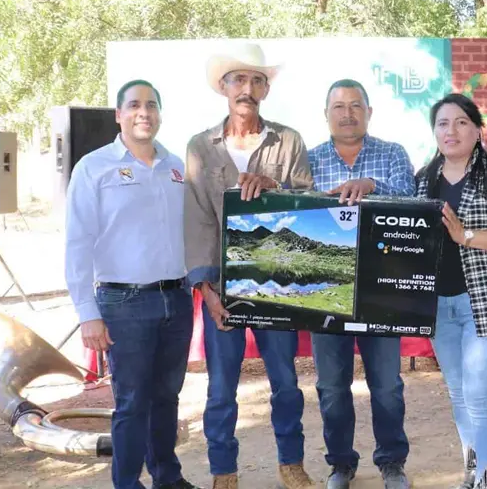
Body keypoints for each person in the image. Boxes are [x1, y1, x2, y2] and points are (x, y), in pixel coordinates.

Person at [183, 42, 315, 489]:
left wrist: (274, 186)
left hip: (277, 283)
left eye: (257, 80)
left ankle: (291, 464)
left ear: (266, 90)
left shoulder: (289, 141)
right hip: (221, 288)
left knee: (286, 382)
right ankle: (224, 472)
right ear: (223, 87)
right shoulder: (200, 147)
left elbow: (309, 206)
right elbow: (198, 221)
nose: (248, 88)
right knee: (221, 387)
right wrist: (207, 291)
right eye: (239, 79)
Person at [65, 80, 199, 489]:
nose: (144, 112)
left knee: (167, 398)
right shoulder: (93, 168)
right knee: (132, 402)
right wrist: (87, 313)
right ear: (119, 114)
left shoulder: (176, 167)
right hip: (124, 304)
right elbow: (77, 243)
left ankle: (167, 478)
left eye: (152, 105)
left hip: (176, 299)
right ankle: (126, 483)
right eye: (135, 105)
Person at [415, 94, 487, 489]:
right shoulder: (424, 178)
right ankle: (476, 470)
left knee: (481, 394)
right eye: (443, 123)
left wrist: (465, 235)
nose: (451, 131)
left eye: (461, 122)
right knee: (460, 394)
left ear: (477, 130)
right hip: (439, 306)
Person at [307, 79, 414, 489]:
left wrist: (372, 186)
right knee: (332, 387)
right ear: (326, 114)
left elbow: (412, 200)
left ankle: (392, 461)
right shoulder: (309, 160)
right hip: (324, 290)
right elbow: (292, 207)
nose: (347, 113)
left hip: (381, 288)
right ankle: (341, 464)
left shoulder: (392, 154)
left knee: (386, 386)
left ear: (369, 112)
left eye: (355, 105)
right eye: (339, 106)